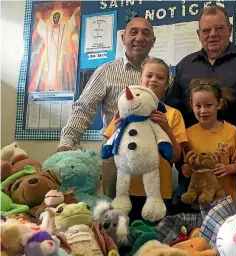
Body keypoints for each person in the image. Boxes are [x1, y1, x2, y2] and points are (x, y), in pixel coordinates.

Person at [164, 4, 236, 214]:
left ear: (229, 29)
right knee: (194, 225)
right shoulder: (185, 65)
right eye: (206, 30)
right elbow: (174, 111)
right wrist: (180, 154)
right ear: (198, 34)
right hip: (194, 165)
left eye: (219, 28)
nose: (212, 34)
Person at [57, 17, 157, 199]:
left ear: (153, 41)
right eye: (133, 32)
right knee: (113, 213)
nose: (140, 38)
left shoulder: (161, 74)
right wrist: (66, 143)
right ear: (123, 38)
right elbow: (84, 109)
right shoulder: (106, 72)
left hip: (152, 157)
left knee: (150, 212)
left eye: (146, 33)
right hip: (114, 155)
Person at [104, 58, 187, 222]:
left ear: (167, 84)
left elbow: (176, 157)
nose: (153, 80)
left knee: (156, 241)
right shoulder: (124, 111)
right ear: (140, 80)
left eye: (160, 77)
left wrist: (166, 128)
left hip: (159, 192)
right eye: (149, 75)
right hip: (126, 190)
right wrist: (116, 127)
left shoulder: (173, 114)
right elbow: (109, 150)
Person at [181, 78, 236, 205]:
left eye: (208, 105)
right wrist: (185, 168)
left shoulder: (232, 131)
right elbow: (184, 163)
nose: (203, 111)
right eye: (198, 106)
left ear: (219, 104)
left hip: (225, 199)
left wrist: (229, 168)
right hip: (198, 200)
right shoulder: (188, 133)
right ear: (191, 106)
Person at [32, 7, 81, 92]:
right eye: (54, 17)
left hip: (59, 53)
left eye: (58, 17)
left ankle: (58, 88)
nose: (56, 18)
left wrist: (74, 14)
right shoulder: (48, 28)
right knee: (49, 69)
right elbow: (43, 29)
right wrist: (40, 18)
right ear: (52, 18)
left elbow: (69, 27)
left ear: (60, 18)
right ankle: (48, 88)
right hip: (50, 53)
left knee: (59, 69)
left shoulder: (63, 28)